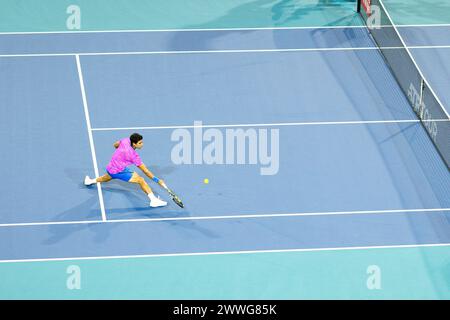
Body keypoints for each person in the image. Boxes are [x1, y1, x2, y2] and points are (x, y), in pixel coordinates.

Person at [84, 133, 167, 207]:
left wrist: (121, 154)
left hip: (111, 167)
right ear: (134, 144)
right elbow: (145, 171)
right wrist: (158, 180)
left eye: (142, 142)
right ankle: (153, 200)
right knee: (141, 180)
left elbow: (115, 145)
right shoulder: (134, 156)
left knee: (108, 176)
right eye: (140, 143)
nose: (142, 144)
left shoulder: (126, 140)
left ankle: (90, 181)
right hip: (119, 171)